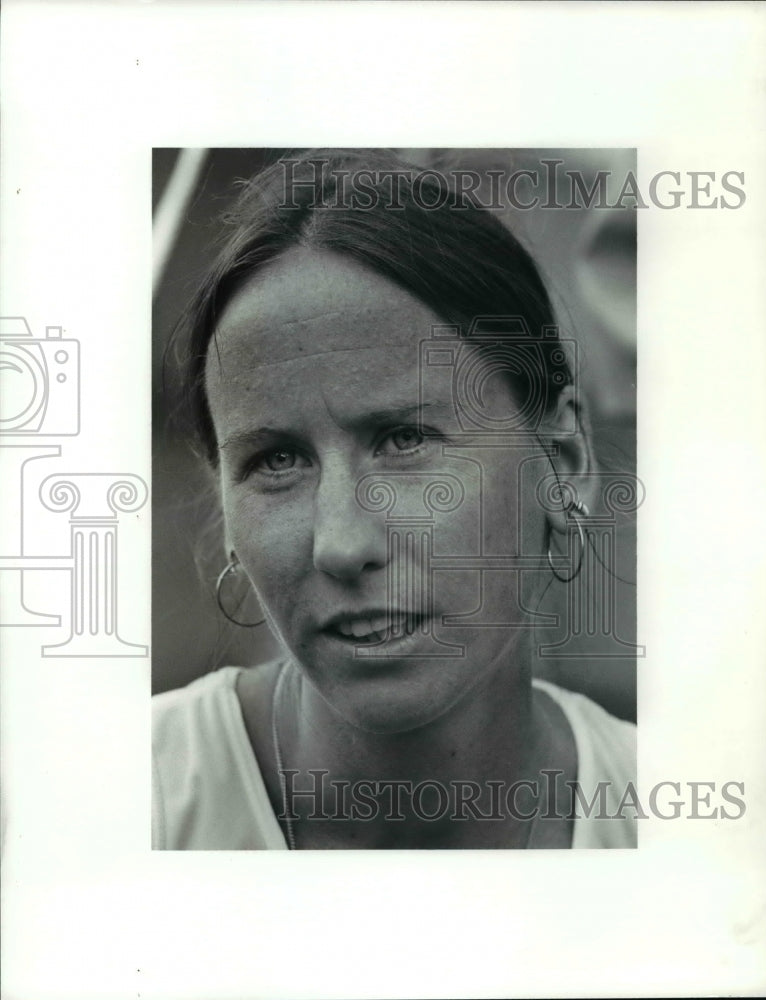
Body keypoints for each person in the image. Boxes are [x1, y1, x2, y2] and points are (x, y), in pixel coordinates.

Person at [152, 150, 636, 850]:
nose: (342, 544)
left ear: (563, 460)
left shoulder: (690, 835)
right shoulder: (126, 809)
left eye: (405, 439)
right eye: (276, 461)